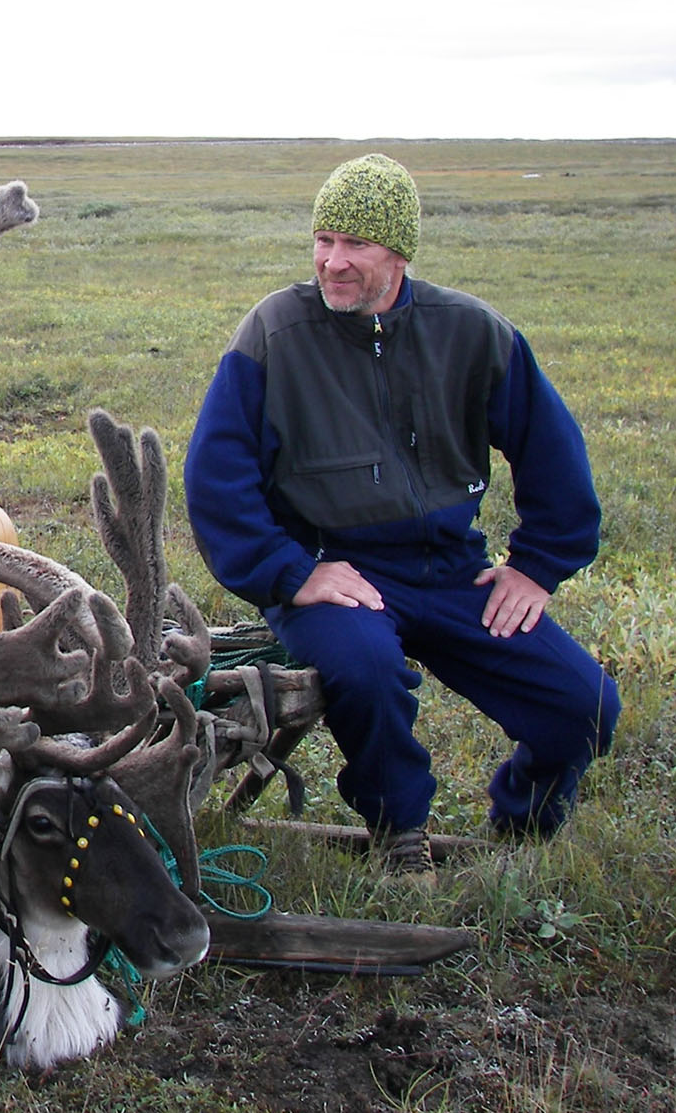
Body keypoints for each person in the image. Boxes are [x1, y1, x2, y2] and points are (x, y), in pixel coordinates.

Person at [184, 153, 620, 880]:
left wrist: (538, 566)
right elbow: (216, 480)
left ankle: (523, 825)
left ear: (399, 251)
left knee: (586, 706)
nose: (333, 262)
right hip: (337, 570)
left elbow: (554, 456)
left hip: (451, 572)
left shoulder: (474, 333)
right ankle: (399, 830)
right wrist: (294, 571)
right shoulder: (275, 333)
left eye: (354, 244)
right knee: (367, 670)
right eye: (324, 241)